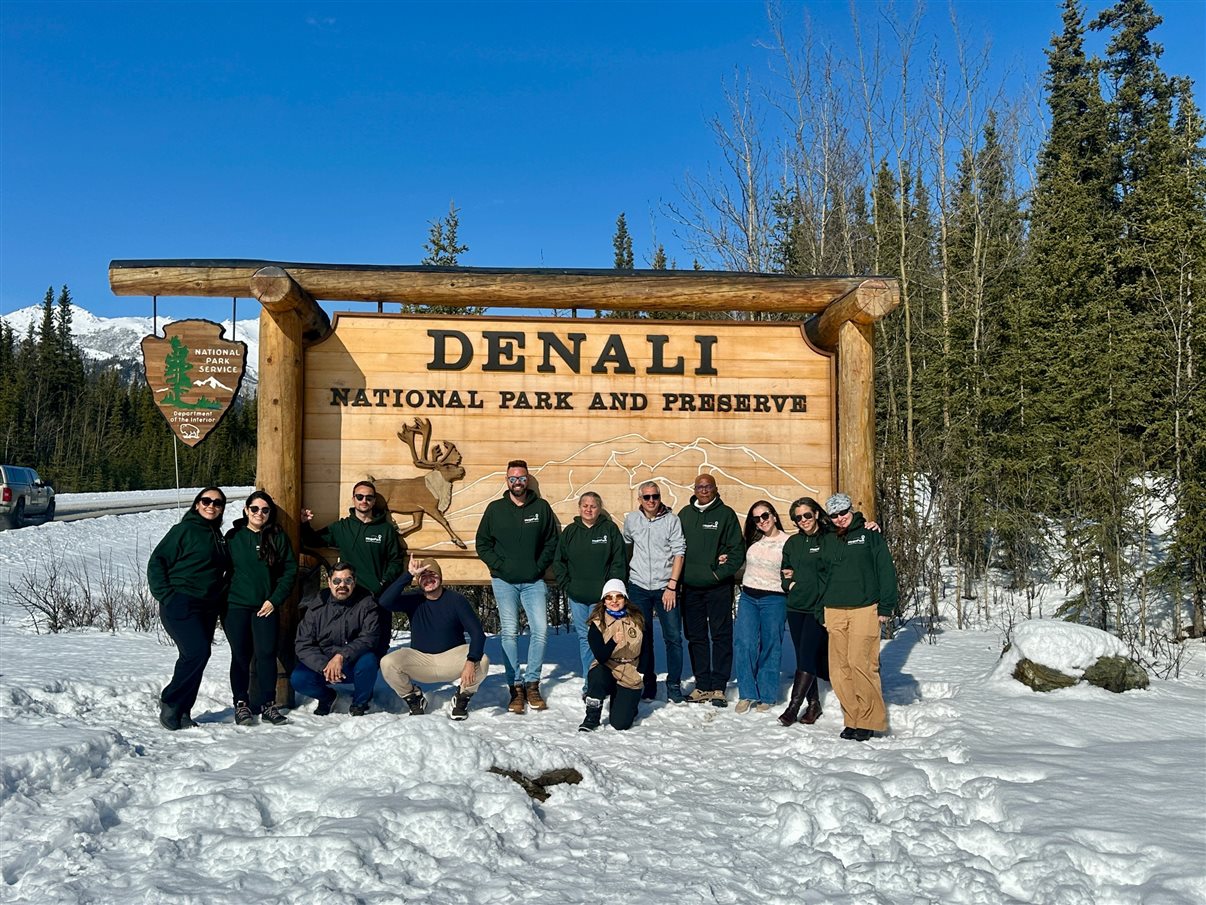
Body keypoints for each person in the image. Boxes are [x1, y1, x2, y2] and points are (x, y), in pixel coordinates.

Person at [475, 459, 559, 714]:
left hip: (533, 581)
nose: (518, 482)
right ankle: (516, 687)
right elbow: (482, 543)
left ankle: (532, 684)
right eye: (513, 478)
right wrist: (499, 566)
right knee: (509, 633)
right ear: (506, 480)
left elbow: (551, 541)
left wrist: (538, 567)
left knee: (540, 630)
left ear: (528, 480)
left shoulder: (541, 508)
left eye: (522, 478)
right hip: (504, 582)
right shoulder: (495, 509)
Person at [147, 487, 231, 731]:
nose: (211, 506)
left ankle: (183, 710)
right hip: (181, 601)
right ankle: (171, 700)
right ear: (196, 504)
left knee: (198, 655)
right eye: (206, 501)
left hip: (207, 605)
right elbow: (157, 561)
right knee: (196, 651)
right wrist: (166, 595)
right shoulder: (183, 530)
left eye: (217, 503)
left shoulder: (217, 535)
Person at [818, 492, 898, 742]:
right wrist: (819, 607)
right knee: (839, 669)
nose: (840, 518)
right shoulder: (826, 539)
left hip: (864, 607)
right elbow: (821, 576)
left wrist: (886, 606)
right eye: (834, 515)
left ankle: (869, 719)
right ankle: (852, 718)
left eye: (843, 513)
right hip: (833, 609)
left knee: (861, 664)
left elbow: (885, 569)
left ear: (851, 510)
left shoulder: (869, 535)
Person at [379, 556, 490, 720]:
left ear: (441, 577)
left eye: (433, 575)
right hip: (421, 660)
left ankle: (462, 698)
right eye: (423, 576)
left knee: (482, 660)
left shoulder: (456, 600)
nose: (428, 579)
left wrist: (470, 660)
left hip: (451, 659)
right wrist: (409, 574)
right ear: (418, 581)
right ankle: (414, 698)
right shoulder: (413, 599)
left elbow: (477, 634)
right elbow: (384, 601)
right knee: (387, 663)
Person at [301, 479, 404, 656]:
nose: (364, 501)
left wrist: (383, 582)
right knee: (350, 640)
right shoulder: (342, 527)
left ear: (374, 501)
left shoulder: (385, 530)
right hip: (349, 595)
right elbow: (313, 540)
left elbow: (395, 560)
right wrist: (304, 524)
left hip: (376, 595)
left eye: (369, 498)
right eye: (360, 496)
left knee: (379, 643)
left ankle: (369, 679)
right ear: (353, 499)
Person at [223, 490, 297, 727]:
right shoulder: (233, 537)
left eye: (265, 510)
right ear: (246, 510)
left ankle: (268, 705)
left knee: (266, 655)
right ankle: (241, 703)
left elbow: (289, 570)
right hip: (235, 606)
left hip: (265, 607)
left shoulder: (277, 536)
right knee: (241, 655)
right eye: (254, 509)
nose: (259, 513)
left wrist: (274, 599)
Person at [678, 473, 745, 707]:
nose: (704, 490)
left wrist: (719, 573)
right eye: (700, 487)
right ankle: (702, 684)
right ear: (694, 489)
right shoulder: (685, 515)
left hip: (717, 587)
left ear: (715, 489)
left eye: (708, 487)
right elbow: (675, 546)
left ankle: (719, 686)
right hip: (691, 588)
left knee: (721, 636)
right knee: (695, 637)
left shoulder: (725, 515)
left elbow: (737, 550)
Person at [552, 491, 627, 696]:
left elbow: (618, 562)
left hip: (603, 600)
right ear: (579, 507)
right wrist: (567, 585)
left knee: (608, 640)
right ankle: (590, 683)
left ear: (599, 508)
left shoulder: (609, 530)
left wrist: (612, 592)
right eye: (585, 505)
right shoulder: (570, 532)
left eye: (593, 506)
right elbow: (559, 562)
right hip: (578, 597)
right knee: (586, 640)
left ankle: (611, 682)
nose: (589, 509)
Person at [622, 480, 687, 703]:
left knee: (673, 638)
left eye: (655, 496)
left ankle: (674, 684)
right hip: (639, 586)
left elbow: (679, 553)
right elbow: (627, 543)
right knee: (643, 638)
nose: (651, 501)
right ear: (640, 499)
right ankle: (648, 683)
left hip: (665, 587)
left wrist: (672, 585)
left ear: (660, 498)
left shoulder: (672, 521)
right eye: (647, 497)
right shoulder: (631, 520)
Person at [290, 561, 382, 716]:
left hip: (352, 662)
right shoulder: (317, 606)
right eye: (337, 581)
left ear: (354, 582)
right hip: (324, 664)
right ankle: (327, 697)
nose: (342, 585)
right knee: (299, 679)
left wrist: (341, 656)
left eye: (348, 581)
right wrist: (324, 666)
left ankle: (360, 703)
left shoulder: (366, 603)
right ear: (329, 582)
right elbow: (303, 644)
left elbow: (369, 637)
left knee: (369, 661)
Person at [778, 496, 831, 726]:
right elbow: (785, 570)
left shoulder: (830, 539)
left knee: (808, 653)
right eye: (798, 518)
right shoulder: (793, 543)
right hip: (795, 606)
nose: (803, 520)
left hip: (818, 607)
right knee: (803, 656)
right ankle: (814, 704)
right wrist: (788, 584)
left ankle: (793, 708)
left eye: (807, 515)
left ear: (816, 514)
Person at [733, 501, 790, 713]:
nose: (762, 521)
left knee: (771, 645)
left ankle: (766, 694)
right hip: (748, 596)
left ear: (774, 516)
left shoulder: (789, 542)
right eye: (756, 519)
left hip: (774, 599)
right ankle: (747, 693)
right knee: (744, 643)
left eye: (765, 516)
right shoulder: (753, 541)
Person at [579, 579, 645, 732]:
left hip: (629, 670)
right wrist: (613, 641)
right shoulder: (597, 623)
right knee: (596, 674)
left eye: (618, 596)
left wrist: (642, 672)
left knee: (620, 724)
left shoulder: (637, 619)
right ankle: (592, 717)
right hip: (607, 666)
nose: (614, 601)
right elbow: (601, 656)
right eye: (609, 597)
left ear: (625, 598)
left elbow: (647, 649)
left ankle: (625, 701)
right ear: (604, 601)